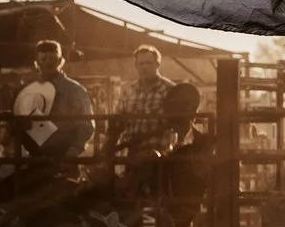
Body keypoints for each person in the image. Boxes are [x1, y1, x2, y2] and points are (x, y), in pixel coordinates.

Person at [16, 40, 95, 166]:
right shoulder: (30, 91)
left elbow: (86, 126)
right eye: (43, 59)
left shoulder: (74, 90)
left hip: (64, 158)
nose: (48, 62)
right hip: (36, 159)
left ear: (60, 61)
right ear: (37, 63)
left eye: (52, 58)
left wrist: (71, 154)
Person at [111, 44, 176, 192]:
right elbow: (118, 118)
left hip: (159, 150)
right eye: (141, 63)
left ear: (157, 64)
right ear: (136, 66)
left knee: (154, 189)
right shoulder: (128, 90)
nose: (145, 67)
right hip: (131, 149)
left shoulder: (170, 90)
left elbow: (179, 121)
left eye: (149, 63)